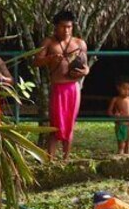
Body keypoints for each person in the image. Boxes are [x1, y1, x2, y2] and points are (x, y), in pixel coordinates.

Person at [34, 10, 90, 160]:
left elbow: (86, 65)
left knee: (70, 123)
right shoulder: (48, 42)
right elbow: (36, 62)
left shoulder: (79, 43)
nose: (66, 30)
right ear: (55, 27)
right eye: (63, 27)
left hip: (73, 88)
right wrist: (50, 59)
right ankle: (50, 159)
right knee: (55, 125)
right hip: (57, 87)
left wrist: (85, 71)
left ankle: (66, 159)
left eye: (69, 27)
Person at [107, 75, 129, 153]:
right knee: (121, 146)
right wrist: (115, 115)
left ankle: (128, 159)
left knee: (128, 145)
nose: (126, 91)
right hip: (120, 124)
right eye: (124, 88)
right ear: (118, 88)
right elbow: (109, 112)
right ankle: (120, 159)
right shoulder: (116, 99)